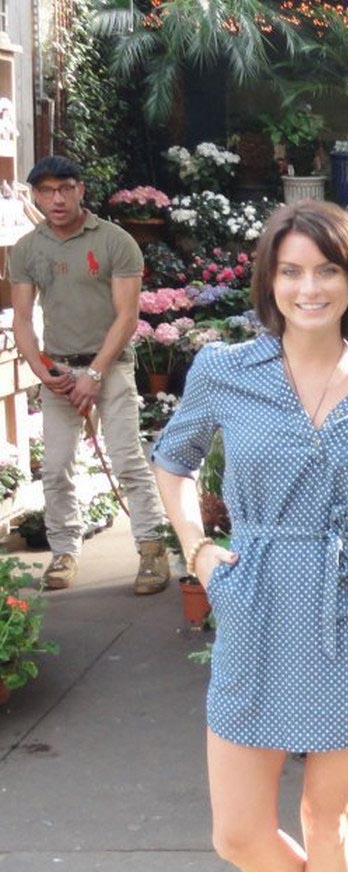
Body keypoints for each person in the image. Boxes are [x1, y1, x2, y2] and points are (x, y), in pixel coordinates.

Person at [152, 200, 348, 872]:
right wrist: (198, 552)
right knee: (238, 834)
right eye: (291, 271)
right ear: (269, 280)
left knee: (331, 822)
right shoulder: (225, 371)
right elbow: (172, 459)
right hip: (256, 600)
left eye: (327, 270)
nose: (309, 288)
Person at [10, 155, 170, 594]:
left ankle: (152, 549)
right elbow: (21, 318)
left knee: (127, 459)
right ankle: (64, 551)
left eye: (65, 188)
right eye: (46, 191)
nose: (57, 199)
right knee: (55, 467)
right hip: (58, 369)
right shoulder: (27, 249)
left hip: (110, 365)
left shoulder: (116, 241)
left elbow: (127, 316)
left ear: (80, 189)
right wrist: (42, 370)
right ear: (35, 196)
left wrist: (94, 374)